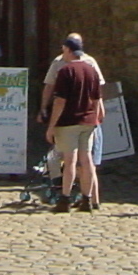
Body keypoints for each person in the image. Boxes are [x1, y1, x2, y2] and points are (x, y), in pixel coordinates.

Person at [46, 34, 105, 212]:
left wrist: (51, 126)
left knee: (69, 160)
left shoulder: (65, 71)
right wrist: (97, 116)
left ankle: (65, 199)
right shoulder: (91, 70)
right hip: (88, 122)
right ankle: (87, 200)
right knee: (86, 160)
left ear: (69, 50)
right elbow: (97, 98)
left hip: (69, 121)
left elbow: (59, 102)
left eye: (64, 49)